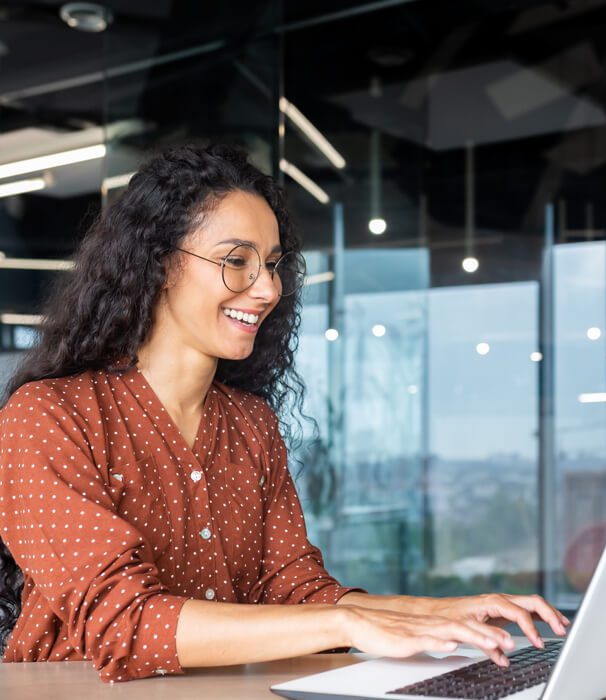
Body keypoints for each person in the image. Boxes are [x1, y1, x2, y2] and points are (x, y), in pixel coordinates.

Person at [0, 144, 569, 684]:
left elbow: (295, 589)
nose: (268, 288)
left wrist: (435, 612)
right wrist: (351, 624)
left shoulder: (250, 425)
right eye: (236, 261)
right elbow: (124, 625)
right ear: (158, 265)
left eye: (272, 264)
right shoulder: (47, 416)